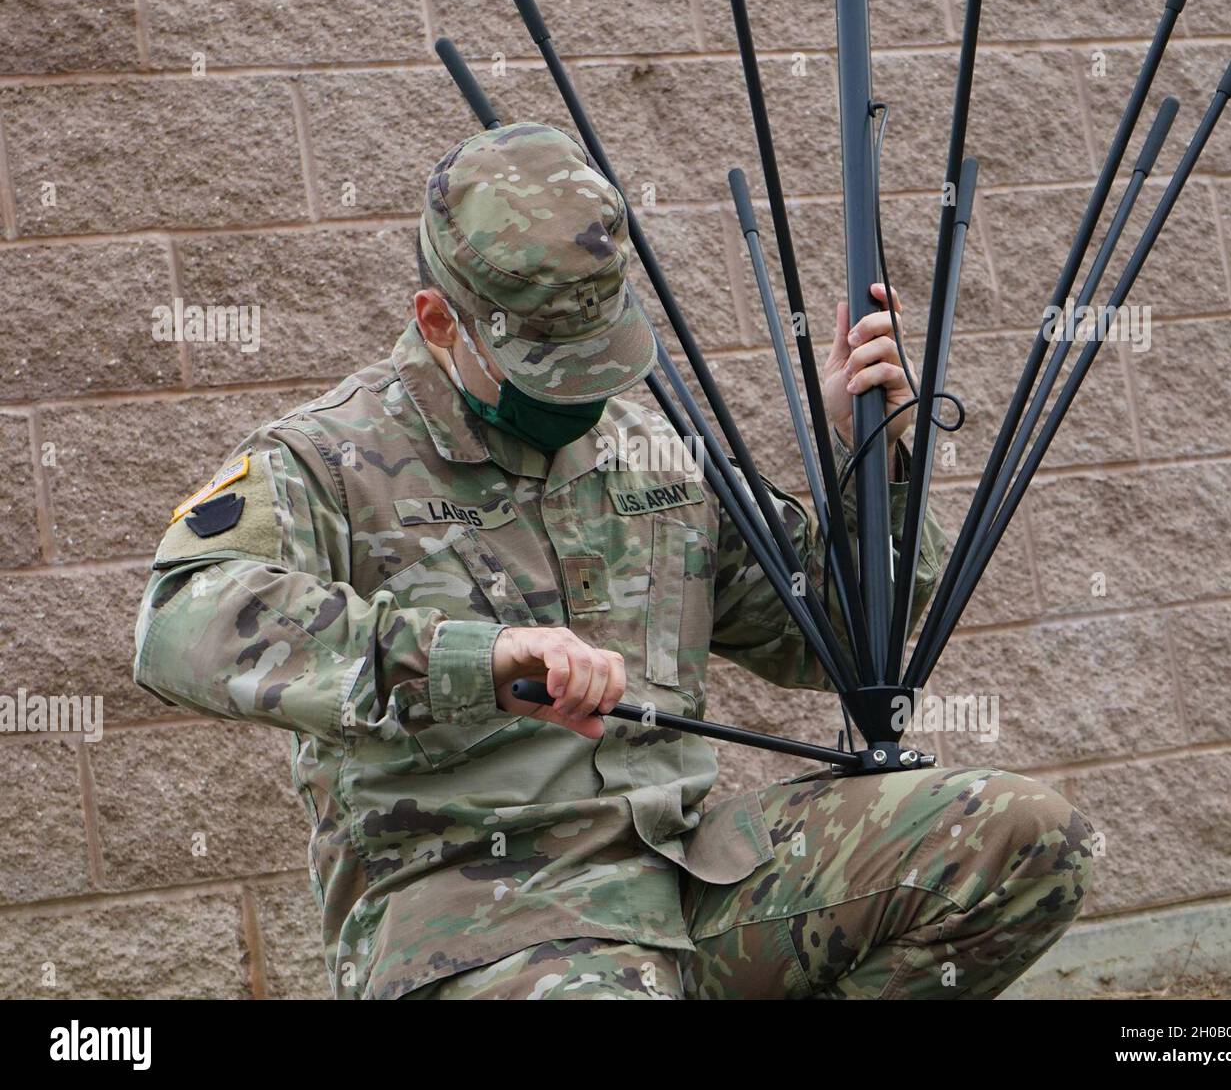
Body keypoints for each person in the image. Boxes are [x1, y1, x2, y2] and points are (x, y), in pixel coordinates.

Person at [134, 121, 1093, 1000]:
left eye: (599, 351)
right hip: (482, 922)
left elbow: (823, 637)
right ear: (439, 322)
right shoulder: (326, 459)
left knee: (1020, 839)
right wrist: (481, 656)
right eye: (551, 361)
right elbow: (182, 618)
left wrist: (866, 458)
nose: (583, 393)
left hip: (692, 879)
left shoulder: (650, 449)